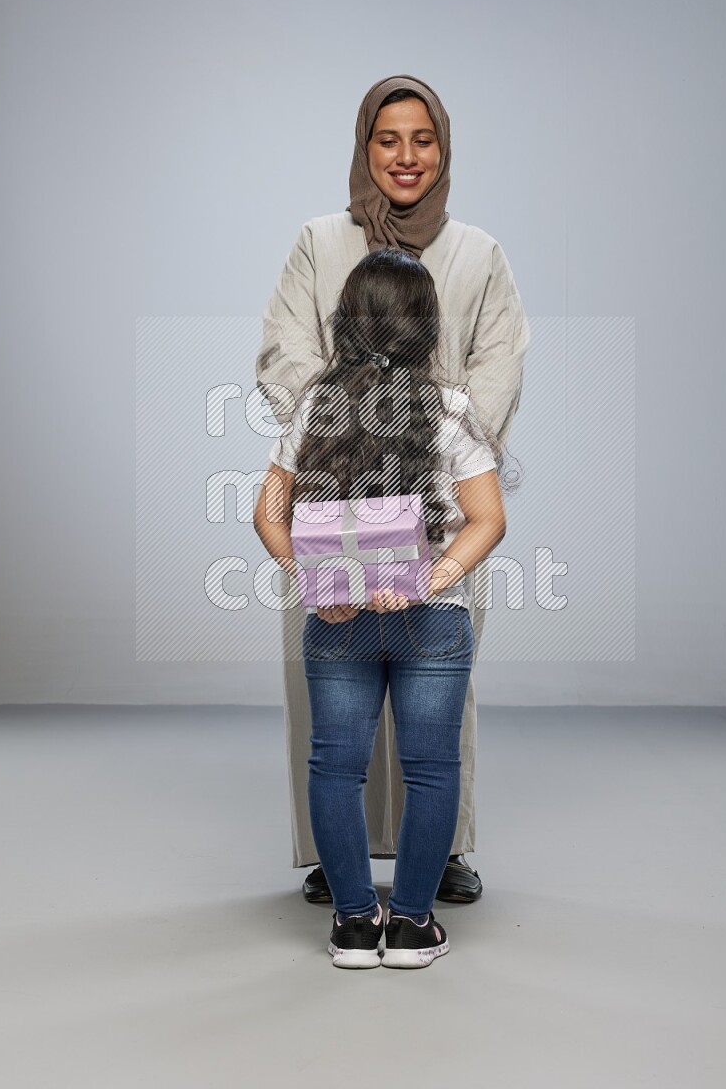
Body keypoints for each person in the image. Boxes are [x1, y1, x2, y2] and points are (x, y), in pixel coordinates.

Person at [255, 73, 530, 905]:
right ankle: (330, 856)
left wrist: (425, 442)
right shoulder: (318, 241)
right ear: (363, 147)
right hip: (332, 498)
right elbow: (286, 348)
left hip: (438, 509)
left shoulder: (479, 252)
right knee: (329, 702)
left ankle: (439, 851)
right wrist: (348, 433)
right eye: (387, 139)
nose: (406, 156)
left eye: (423, 139)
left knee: (439, 697)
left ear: (443, 149)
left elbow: (500, 360)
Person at [254, 246, 511, 967]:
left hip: (339, 622)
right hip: (432, 620)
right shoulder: (451, 410)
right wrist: (434, 577)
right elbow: (488, 519)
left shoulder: (315, 408)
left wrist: (316, 581)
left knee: (336, 767)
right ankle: (412, 927)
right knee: (431, 768)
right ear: (426, 327)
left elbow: (268, 515)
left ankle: (353, 926)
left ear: (345, 323)